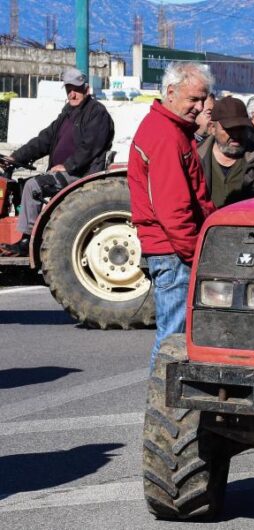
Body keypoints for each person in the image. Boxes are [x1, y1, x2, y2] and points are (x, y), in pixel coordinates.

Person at [128, 62, 217, 368]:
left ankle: (170, 407)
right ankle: (165, 410)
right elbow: (174, 210)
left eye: (203, 99)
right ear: (170, 92)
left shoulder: (171, 130)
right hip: (173, 251)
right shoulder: (166, 135)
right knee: (174, 341)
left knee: (175, 337)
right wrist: (195, 253)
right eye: (194, 99)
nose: (200, 107)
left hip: (171, 249)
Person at [0, 67, 115, 257]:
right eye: (68, 89)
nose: (72, 93)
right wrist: (16, 157)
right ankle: (31, 232)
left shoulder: (97, 113)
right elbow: (44, 140)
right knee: (21, 187)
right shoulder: (67, 114)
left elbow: (90, 147)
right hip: (64, 172)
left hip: (80, 174)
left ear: (86, 89)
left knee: (33, 186)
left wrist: (67, 166)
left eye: (76, 89)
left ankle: (28, 241)